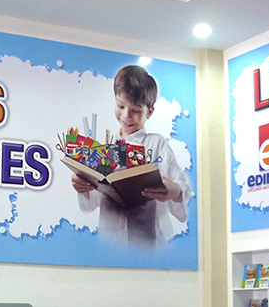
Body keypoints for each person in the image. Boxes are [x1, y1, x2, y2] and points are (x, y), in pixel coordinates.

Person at [71, 65, 191, 247]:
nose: (126, 116)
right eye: (120, 106)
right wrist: (82, 185)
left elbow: (182, 186)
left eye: (136, 111)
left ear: (150, 112)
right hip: (110, 241)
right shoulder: (104, 147)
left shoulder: (157, 144)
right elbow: (91, 203)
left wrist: (175, 190)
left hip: (150, 242)